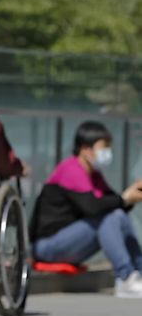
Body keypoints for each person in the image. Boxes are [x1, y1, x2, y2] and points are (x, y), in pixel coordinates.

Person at [31, 121, 142, 298]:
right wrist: (124, 199)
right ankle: (126, 277)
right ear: (85, 148)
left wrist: (131, 198)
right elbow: (93, 208)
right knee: (110, 216)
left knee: (119, 216)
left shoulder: (94, 174)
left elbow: (114, 204)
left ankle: (138, 271)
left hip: (72, 242)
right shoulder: (70, 169)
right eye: (103, 148)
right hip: (47, 245)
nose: (108, 153)